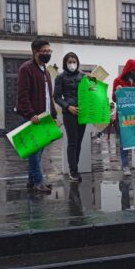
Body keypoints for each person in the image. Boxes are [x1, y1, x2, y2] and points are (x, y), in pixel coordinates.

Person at [16, 38, 57, 193]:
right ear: (35, 52)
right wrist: (30, 114)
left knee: (39, 151)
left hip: (44, 117)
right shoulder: (26, 69)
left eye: (49, 51)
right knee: (34, 151)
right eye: (44, 51)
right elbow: (23, 94)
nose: (47, 54)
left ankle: (31, 181)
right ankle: (39, 182)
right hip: (33, 118)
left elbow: (49, 95)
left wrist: (53, 114)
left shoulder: (46, 71)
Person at [54, 52, 87, 182]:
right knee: (72, 142)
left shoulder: (83, 76)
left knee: (79, 142)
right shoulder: (60, 78)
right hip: (69, 113)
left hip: (82, 113)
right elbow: (56, 96)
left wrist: (93, 81)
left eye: (74, 61)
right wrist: (68, 107)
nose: (72, 64)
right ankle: (73, 171)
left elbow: (92, 89)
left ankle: (75, 167)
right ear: (65, 63)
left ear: (77, 62)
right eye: (69, 62)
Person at [113, 59, 135, 176]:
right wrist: (117, 92)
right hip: (123, 118)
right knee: (124, 144)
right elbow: (114, 98)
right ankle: (125, 167)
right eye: (133, 69)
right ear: (128, 69)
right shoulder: (117, 81)